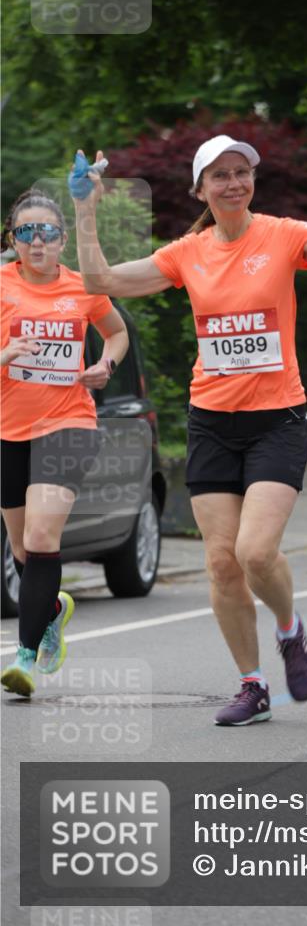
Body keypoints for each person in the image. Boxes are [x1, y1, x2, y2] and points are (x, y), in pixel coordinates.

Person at [70, 134, 307, 726]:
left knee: (254, 551)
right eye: (219, 175)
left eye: (241, 171)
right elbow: (100, 283)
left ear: (253, 180)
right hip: (212, 422)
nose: (233, 183)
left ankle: (290, 631)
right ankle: (252, 685)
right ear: (201, 189)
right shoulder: (185, 253)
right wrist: (85, 211)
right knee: (221, 563)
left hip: (277, 420)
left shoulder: (284, 235)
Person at [0, 190, 128, 696]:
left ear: (62, 239)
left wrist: (105, 364)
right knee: (20, 546)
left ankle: (26, 658)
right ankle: (51, 607)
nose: (37, 241)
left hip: (69, 422)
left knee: (41, 538)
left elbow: (115, 333)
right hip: (8, 429)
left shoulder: (83, 287)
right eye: (26, 232)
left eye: (47, 232)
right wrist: (6, 353)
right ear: (12, 239)